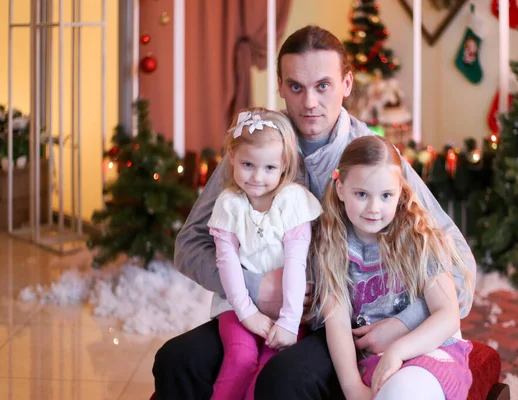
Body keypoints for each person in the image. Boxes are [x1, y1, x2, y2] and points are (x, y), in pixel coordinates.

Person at [153, 25, 476, 400]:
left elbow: (459, 265)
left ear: (347, 83)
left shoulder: (373, 158)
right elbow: (188, 245)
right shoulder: (254, 151)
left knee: (285, 379)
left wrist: (403, 323)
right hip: (254, 313)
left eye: (323, 85)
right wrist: (254, 287)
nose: (309, 102)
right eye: (296, 87)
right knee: (175, 360)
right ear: (279, 85)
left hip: (338, 323)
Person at [311, 135, 473, 400]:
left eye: (386, 195)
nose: (374, 208)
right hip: (375, 361)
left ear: (400, 192)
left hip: (430, 349)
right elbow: (337, 324)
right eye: (361, 194)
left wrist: (398, 350)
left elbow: (447, 315)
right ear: (340, 189)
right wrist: (352, 388)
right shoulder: (332, 244)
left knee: (402, 393)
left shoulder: (418, 237)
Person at [207, 107, 321, 400]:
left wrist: (289, 321)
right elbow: (227, 263)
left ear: (284, 165)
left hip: (289, 309)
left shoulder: (292, 202)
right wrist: (247, 314)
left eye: (269, 168)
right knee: (241, 358)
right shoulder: (229, 204)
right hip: (236, 306)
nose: (257, 177)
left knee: (272, 372)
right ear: (232, 157)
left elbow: (297, 264)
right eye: (247, 164)